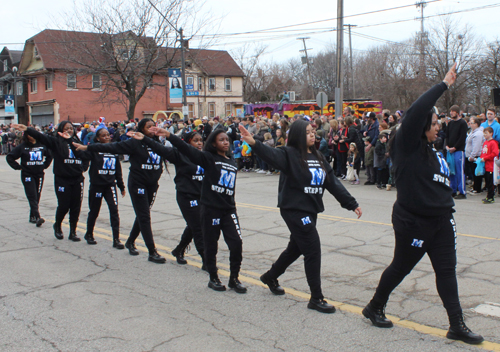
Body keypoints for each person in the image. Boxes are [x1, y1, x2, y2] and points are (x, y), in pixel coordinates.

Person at [362, 63, 484, 345]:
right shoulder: (407, 146)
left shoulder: (434, 150)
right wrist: (443, 84)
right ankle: (375, 306)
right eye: (434, 123)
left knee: (446, 271)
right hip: (413, 222)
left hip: (442, 221)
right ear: (420, 128)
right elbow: (418, 111)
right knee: (401, 268)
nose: (438, 125)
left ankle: (457, 325)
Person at [238, 120, 362, 314]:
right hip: (294, 209)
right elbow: (270, 154)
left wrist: (351, 203)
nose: (312, 135)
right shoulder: (288, 154)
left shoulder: (319, 156)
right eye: (307, 133)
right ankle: (316, 298)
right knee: (312, 248)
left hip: (310, 210)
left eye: (312, 131)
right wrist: (254, 143)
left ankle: (270, 276)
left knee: (295, 249)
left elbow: (333, 183)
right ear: (296, 136)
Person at [144, 126, 246, 293]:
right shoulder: (207, 158)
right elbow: (185, 148)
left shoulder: (232, 161)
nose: (225, 142)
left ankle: (234, 278)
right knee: (210, 245)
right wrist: (169, 135)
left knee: (236, 243)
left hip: (228, 210)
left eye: (227, 139)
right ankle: (213, 278)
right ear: (213, 143)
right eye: (221, 140)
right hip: (210, 209)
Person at [73, 118, 171, 264]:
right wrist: (88, 148)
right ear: (141, 129)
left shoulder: (158, 143)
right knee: (144, 216)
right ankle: (152, 251)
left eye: (153, 126)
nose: (151, 128)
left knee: (143, 215)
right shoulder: (134, 143)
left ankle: (130, 241)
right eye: (148, 126)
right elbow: (112, 147)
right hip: (138, 184)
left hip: (152, 185)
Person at [130, 130, 206, 266]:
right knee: (198, 227)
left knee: (193, 225)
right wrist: (145, 139)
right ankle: (207, 261)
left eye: (201, 140)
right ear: (188, 143)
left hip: (202, 197)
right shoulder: (178, 155)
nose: (199, 143)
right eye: (196, 140)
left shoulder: (204, 156)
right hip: (186, 196)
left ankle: (179, 250)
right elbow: (160, 148)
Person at [12, 122, 89, 241]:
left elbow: (86, 156)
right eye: (66, 128)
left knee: (76, 206)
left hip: (77, 179)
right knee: (64, 205)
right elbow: (41, 137)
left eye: (71, 128)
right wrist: (28, 129)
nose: (69, 130)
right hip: (62, 179)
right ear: (60, 131)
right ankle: (58, 225)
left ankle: (73, 231)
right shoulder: (56, 142)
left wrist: (83, 167)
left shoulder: (77, 142)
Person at [77, 124, 126, 248]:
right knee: (94, 211)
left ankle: (116, 239)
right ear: (98, 138)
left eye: (108, 135)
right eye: (103, 136)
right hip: (97, 186)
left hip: (110, 186)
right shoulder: (94, 150)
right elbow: (83, 156)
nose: (107, 137)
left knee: (114, 211)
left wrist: (121, 186)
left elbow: (118, 170)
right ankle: (89, 234)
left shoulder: (113, 150)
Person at [6, 131, 53, 226]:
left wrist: (45, 165)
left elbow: (49, 155)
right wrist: (18, 167)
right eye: (29, 135)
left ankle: (32, 216)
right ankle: (37, 216)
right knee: (32, 195)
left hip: (39, 174)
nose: (32, 136)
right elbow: (10, 157)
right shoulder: (23, 146)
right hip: (27, 174)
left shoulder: (42, 145)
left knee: (37, 195)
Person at [446, 105, 468, 199]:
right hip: (450, 150)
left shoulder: (462, 123)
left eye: (453, 111)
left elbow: (462, 137)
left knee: (459, 171)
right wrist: (447, 145)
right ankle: (453, 190)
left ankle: (462, 191)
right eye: (450, 111)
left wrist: (455, 147)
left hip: (458, 150)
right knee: (452, 171)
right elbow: (447, 135)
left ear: (457, 112)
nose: (451, 113)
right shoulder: (450, 123)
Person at [479, 126, 499, 204]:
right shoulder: (485, 142)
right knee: (487, 181)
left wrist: (486, 158)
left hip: (491, 165)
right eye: (484, 134)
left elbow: (495, 153)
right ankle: (488, 196)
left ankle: (491, 197)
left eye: (486, 133)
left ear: (491, 133)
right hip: (486, 165)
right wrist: (481, 158)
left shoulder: (493, 143)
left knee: (491, 182)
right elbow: (483, 152)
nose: (485, 135)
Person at [465, 116, 484, 194]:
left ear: (476, 124)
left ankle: (477, 188)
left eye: (471, 123)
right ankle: (475, 187)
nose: (470, 124)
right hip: (470, 156)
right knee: (473, 172)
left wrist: (472, 156)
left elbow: (476, 146)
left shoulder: (478, 133)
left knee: (476, 173)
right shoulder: (472, 132)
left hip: (475, 156)